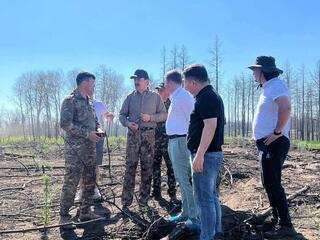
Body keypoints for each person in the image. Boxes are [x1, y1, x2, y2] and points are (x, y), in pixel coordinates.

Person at [249, 56, 296, 239]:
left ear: (263, 71)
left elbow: (285, 108)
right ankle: (277, 220)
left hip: (274, 142)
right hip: (268, 143)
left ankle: (286, 225)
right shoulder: (269, 88)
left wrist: (277, 132)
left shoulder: (276, 85)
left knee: (273, 183)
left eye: (255, 70)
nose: (253, 73)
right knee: (268, 182)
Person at [184, 64, 225, 240]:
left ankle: (207, 235)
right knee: (211, 195)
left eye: (186, 83)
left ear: (193, 82)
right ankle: (215, 230)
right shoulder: (211, 95)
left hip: (206, 156)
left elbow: (210, 126)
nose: (185, 87)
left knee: (204, 199)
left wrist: (199, 155)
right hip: (211, 154)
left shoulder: (206, 97)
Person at [119, 69, 167, 210]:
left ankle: (143, 201)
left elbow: (164, 115)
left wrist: (150, 118)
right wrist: (128, 124)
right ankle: (126, 202)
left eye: (138, 79)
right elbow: (122, 115)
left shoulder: (155, 97)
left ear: (146, 81)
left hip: (149, 136)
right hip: (133, 136)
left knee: (147, 168)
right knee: (130, 168)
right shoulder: (129, 97)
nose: (135, 82)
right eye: (134, 79)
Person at [59, 72, 102, 224]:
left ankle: (85, 212)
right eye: (93, 83)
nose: (94, 87)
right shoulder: (70, 100)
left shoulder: (89, 102)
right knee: (71, 182)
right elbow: (65, 124)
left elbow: (95, 122)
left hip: (90, 150)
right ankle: (64, 216)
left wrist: (98, 129)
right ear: (84, 83)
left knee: (89, 181)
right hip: (75, 152)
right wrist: (87, 134)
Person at [164, 70, 199, 226]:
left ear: (171, 82)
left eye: (166, 83)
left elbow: (193, 120)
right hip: (174, 141)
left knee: (185, 180)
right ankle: (186, 213)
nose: (165, 86)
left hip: (181, 141)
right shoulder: (176, 97)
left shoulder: (184, 97)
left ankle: (193, 216)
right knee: (181, 178)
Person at [74, 99, 114, 202]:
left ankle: (95, 189)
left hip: (97, 138)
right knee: (82, 164)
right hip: (83, 138)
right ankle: (82, 190)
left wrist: (109, 117)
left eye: (93, 85)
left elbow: (106, 116)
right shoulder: (77, 101)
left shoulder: (98, 104)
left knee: (95, 164)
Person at [152, 83, 177, 202]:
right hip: (155, 142)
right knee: (155, 167)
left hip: (169, 142)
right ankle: (156, 192)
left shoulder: (173, 105)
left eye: (161, 90)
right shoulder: (153, 105)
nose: (159, 93)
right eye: (158, 90)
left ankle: (172, 193)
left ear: (167, 91)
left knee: (171, 168)